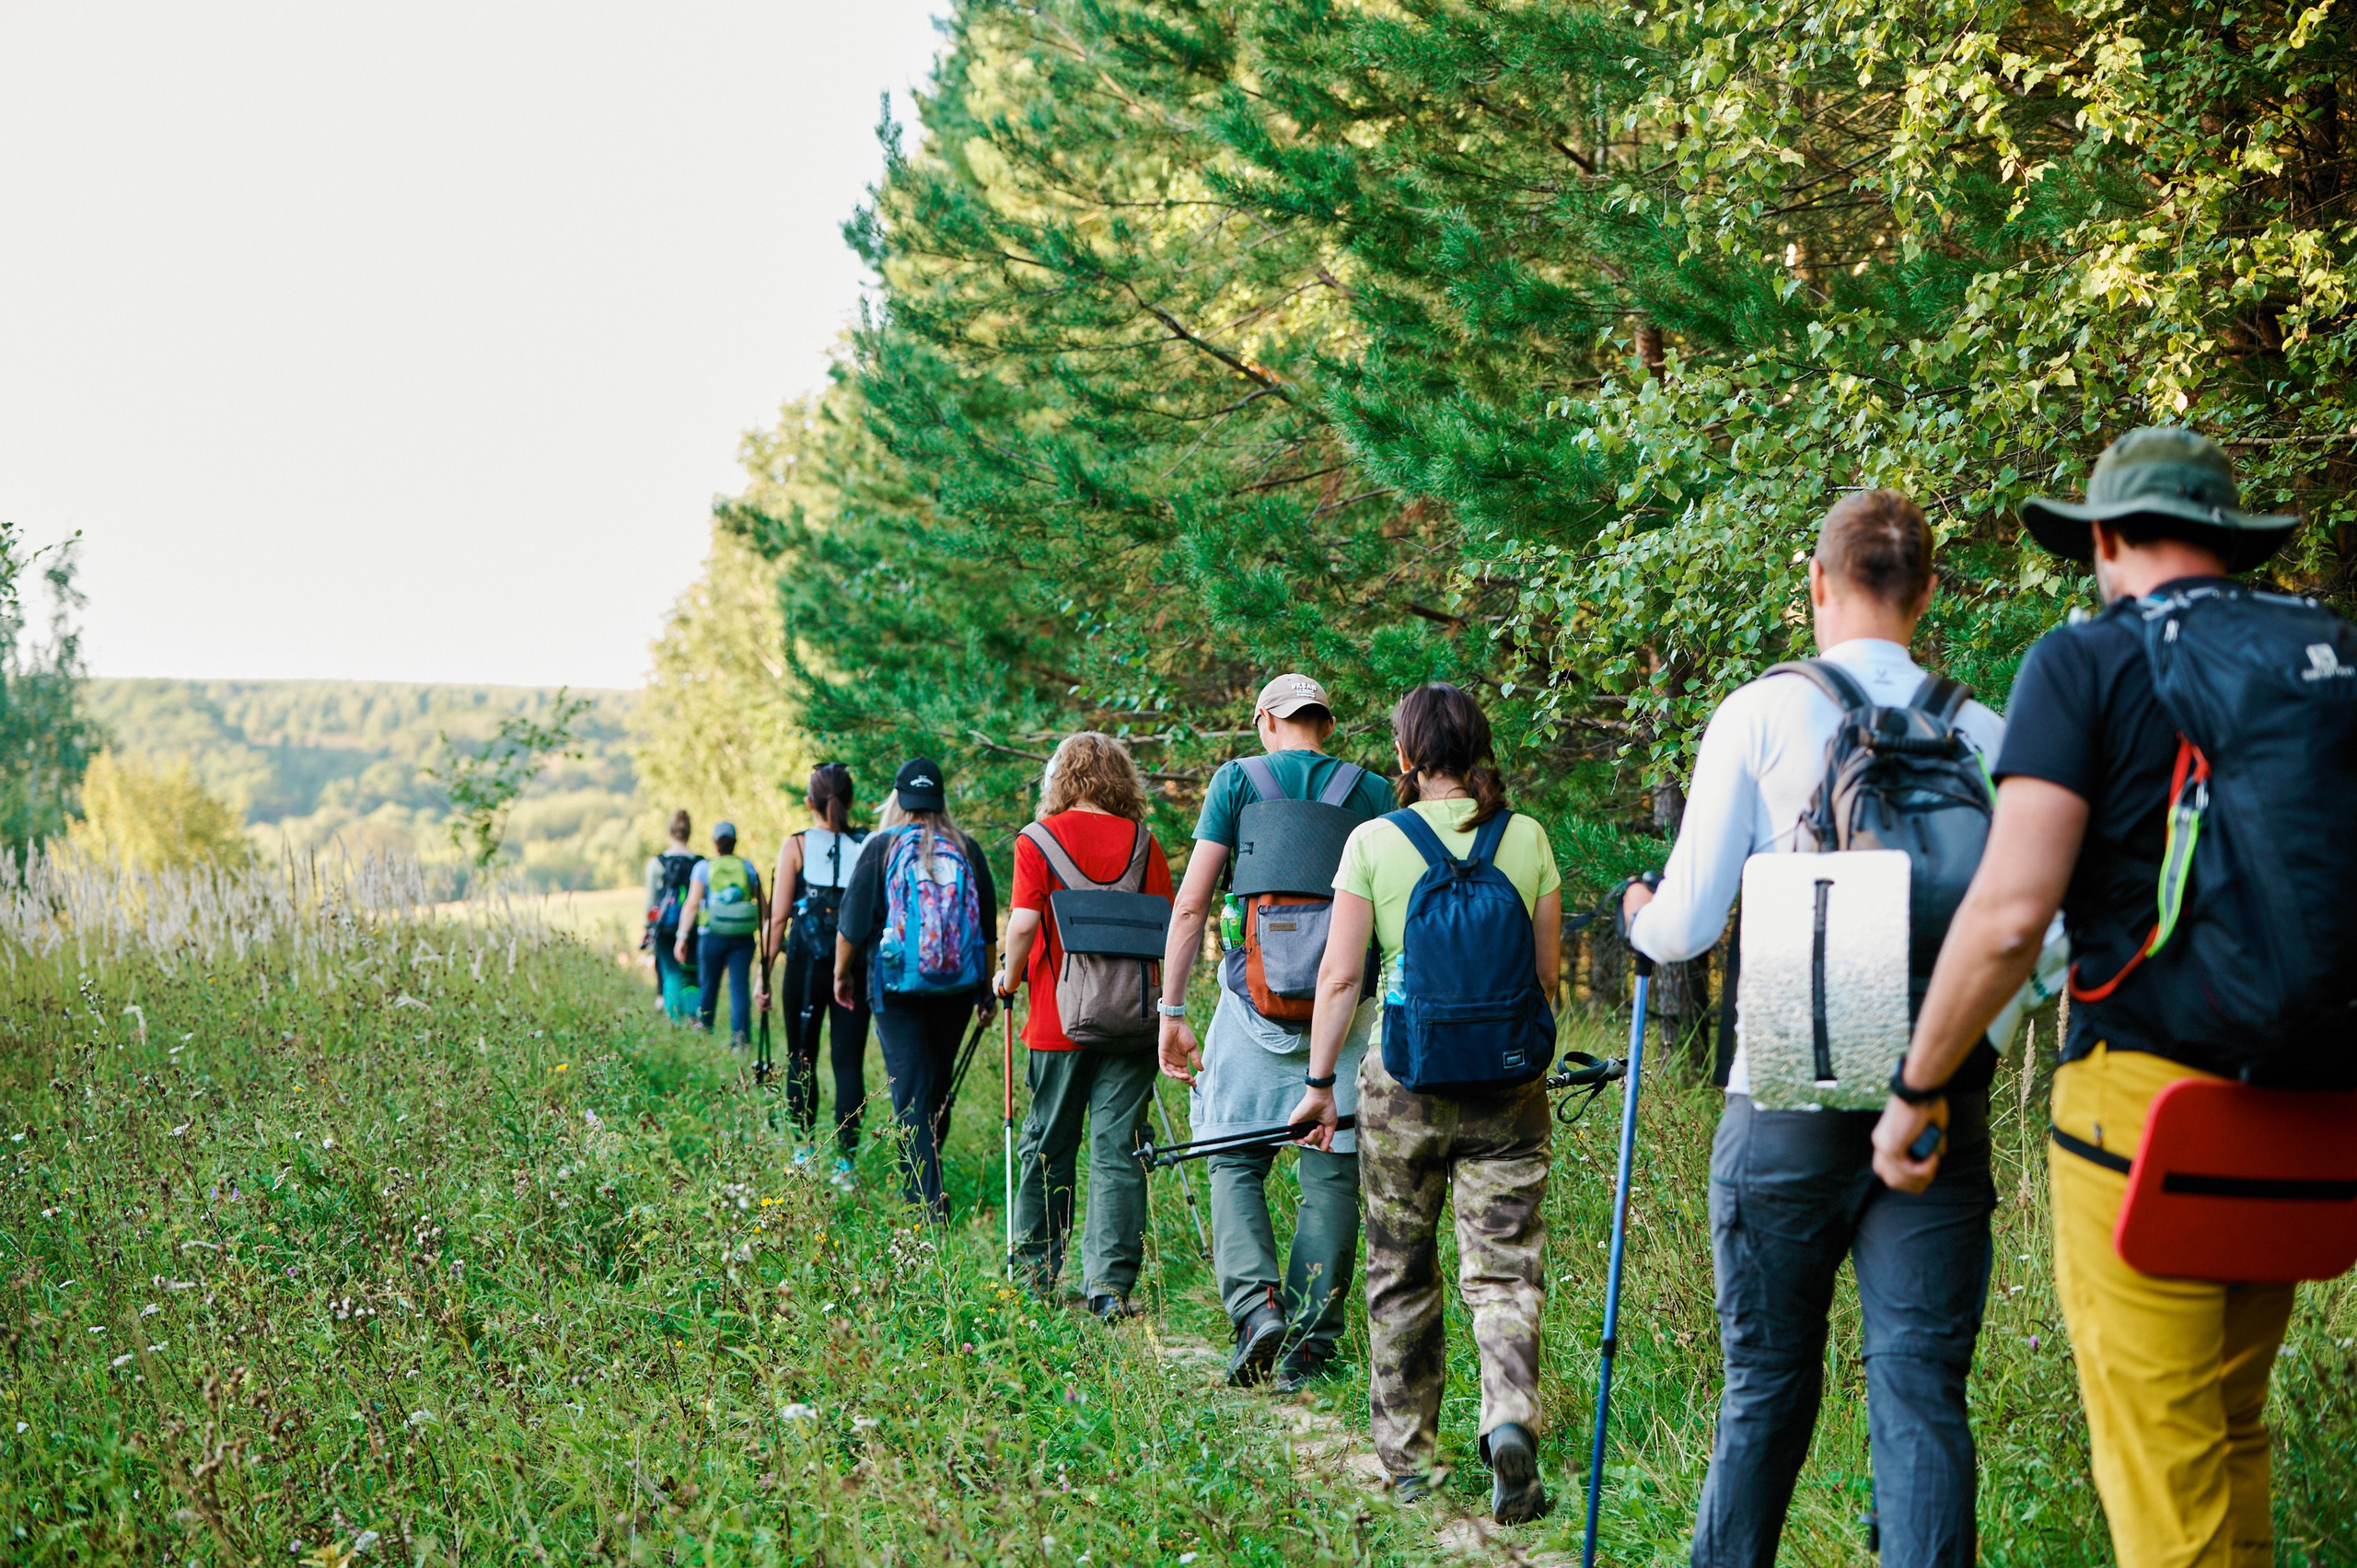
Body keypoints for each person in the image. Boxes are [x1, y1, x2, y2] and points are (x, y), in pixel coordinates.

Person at [1870, 428, 2310, 1568]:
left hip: (2151, 1116)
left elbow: (2012, 914)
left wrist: (1918, 1085)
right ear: (2226, 541)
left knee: (2163, 1475)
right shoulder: (2324, 652)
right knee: (2231, 1430)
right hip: (2315, 1115)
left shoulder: (2084, 661)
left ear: (2106, 540)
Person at [1620, 490, 2004, 1568]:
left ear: (1816, 582)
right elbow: (2041, 937)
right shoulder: (1984, 731)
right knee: (1922, 1388)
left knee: (1768, 1384)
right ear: (1928, 591)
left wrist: (1636, 913)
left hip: (1793, 1069)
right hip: (1937, 1092)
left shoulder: (1758, 713)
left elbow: (1686, 928)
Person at [1289, 682, 1563, 1525]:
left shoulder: (1374, 839)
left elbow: (1341, 976)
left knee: (1400, 1269)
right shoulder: (1527, 837)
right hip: (1508, 1086)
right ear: (1478, 746)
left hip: (1403, 1084)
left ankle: (1410, 1461)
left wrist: (1318, 1082)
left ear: (1405, 757)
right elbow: (1545, 981)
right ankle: (1508, 1415)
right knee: (1507, 1268)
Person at [1157, 672, 1393, 1387]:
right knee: (1333, 1168)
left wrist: (1172, 1012)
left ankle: (1256, 1306)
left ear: (1265, 720)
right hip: (1344, 1009)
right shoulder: (1373, 791)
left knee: (1232, 1154)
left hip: (1249, 1005)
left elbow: (1192, 904)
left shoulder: (1236, 781)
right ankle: (1311, 1342)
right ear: (1326, 724)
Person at [995, 731, 1177, 1319]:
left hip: (1058, 1022)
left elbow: (1024, 924)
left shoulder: (1038, 841)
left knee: (1048, 1145)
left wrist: (1009, 975)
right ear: (1122, 781)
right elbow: (1171, 931)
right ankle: (1109, 1287)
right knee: (1118, 1147)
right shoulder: (1145, 846)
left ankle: (1034, 1277)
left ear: (1061, 780)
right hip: (1134, 1021)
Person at [835, 757, 998, 1219]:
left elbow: (850, 926)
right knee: (936, 1086)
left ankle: (926, 1207)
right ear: (940, 798)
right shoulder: (967, 848)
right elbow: (987, 931)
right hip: (957, 987)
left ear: (900, 800)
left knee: (909, 1090)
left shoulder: (882, 847)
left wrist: (841, 975)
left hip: (895, 989)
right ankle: (927, 1182)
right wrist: (985, 991)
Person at [762, 763, 874, 1189]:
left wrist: (764, 973)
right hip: (855, 969)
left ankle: (803, 1153)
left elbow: (777, 920)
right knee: (848, 1063)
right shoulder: (866, 845)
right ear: (850, 800)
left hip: (805, 966)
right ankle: (845, 1167)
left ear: (810, 803)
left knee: (800, 1058)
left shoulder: (796, 846)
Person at [673, 821, 766, 1046]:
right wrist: (767, 934)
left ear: (715, 843)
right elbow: (763, 905)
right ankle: (741, 1041)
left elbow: (692, 904)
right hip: (743, 937)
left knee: (708, 986)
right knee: (739, 988)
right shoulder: (748, 867)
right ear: (735, 842)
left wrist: (682, 937)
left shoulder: (704, 868)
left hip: (711, 935)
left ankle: (704, 1036)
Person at [644, 810, 701, 1021]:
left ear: (670, 831)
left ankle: (675, 1022)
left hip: (665, 926)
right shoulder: (699, 862)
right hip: (692, 925)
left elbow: (651, 900)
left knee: (671, 972)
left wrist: (647, 927)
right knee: (692, 973)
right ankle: (694, 1018)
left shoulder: (657, 863)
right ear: (689, 832)